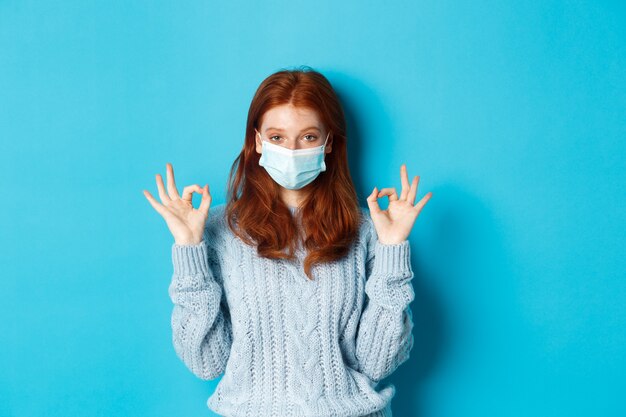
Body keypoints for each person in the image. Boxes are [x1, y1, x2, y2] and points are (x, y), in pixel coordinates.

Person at [143, 66, 433, 417]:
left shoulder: (368, 230)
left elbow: (377, 362)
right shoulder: (220, 230)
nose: (291, 150)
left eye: (308, 137)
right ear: (256, 141)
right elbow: (206, 362)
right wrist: (189, 248)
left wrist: (393, 250)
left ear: (328, 144)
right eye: (277, 137)